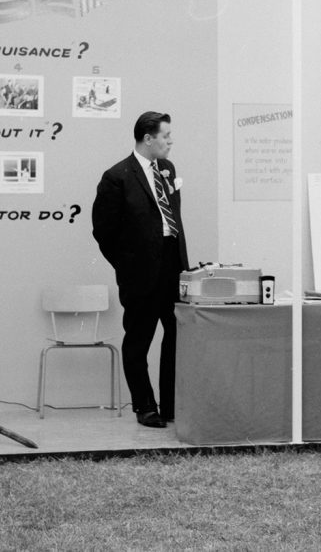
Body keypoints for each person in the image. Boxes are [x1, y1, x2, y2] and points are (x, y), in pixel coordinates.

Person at [92, 111, 189, 428]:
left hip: (172, 269)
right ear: (148, 138)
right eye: (166, 135)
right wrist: (128, 265)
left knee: (176, 336)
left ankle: (172, 406)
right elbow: (103, 232)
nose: (170, 141)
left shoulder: (168, 169)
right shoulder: (117, 176)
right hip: (140, 275)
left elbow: (171, 219)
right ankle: (145, 407)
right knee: (138, 341)